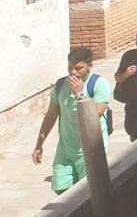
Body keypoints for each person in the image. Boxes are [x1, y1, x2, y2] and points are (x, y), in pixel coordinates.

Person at [32, 48, 112, 194]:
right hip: (66, 149)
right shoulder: (60, 85)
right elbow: (51, 116)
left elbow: (96, 114)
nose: (73, 72)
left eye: (78, 68)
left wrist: (80, 94)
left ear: (90, 66)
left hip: (91, 150)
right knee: (61, 189)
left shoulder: (99, 85)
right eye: (70, 67)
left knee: (91, 193)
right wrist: (39, 144)